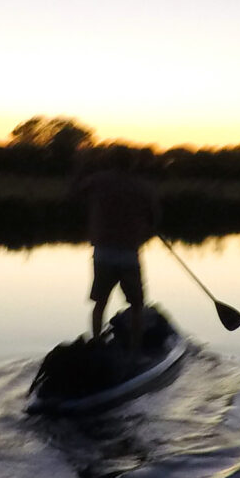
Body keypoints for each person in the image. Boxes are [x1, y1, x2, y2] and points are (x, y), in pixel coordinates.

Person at [67, 146, 160, 344]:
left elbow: (73, 195)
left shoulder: (98, 181)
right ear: (132, 163)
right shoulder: (142, 187)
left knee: (100, 302)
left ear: (110, 161)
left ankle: (97, 341)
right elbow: (154, 218)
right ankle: (136, 348)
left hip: (102, 254)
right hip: (128, 255)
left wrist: (80, 167)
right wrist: (146, 229)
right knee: (136, 304)